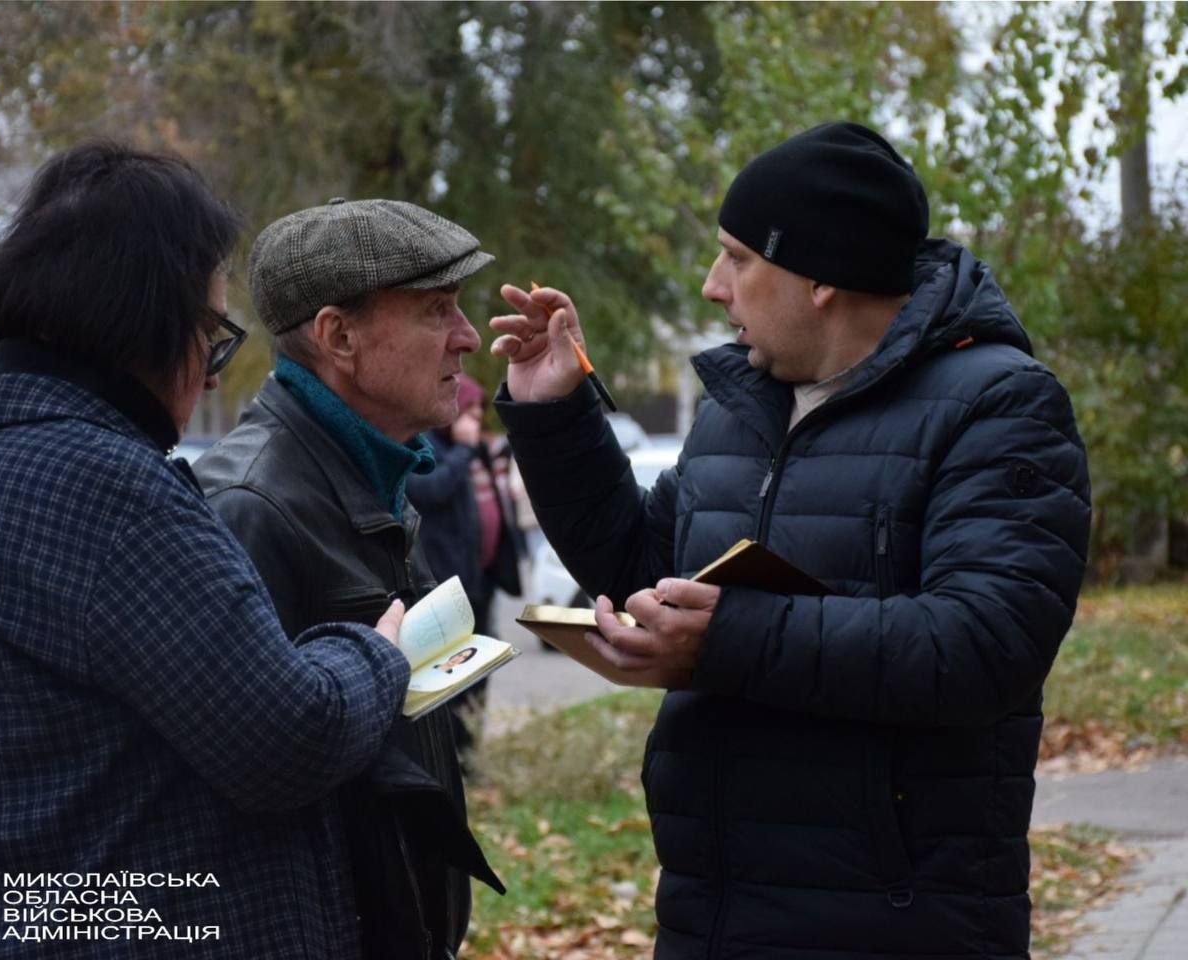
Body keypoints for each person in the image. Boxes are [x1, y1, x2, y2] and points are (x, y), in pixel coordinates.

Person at [490, 121, 1091, 960]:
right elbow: (639, 570)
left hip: (896, 924)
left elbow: (984, 645)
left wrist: (725, 637)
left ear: (821, 277)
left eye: (737, 259)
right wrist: (556, 415)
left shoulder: (999, 405)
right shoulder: (741, 408)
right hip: (713, 912)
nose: (713, 287)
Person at [0, 143, 411, 958]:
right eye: (210, 334)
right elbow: (288, 738)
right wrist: (375, 655)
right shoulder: (106, 491)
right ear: (141, 320)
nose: (211, 377)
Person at [193, 198, 503, 960]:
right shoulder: (251, 506)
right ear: (339, 337)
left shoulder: (373, 477)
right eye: (437, 311)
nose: (468, 338)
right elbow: (249, 784)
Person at [406, 373, 523, 764]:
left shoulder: (474, 451)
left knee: (480, 667)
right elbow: (432, 490)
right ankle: (451, 755)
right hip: (446, 579)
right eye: (467, 411)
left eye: (478, 412)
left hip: (480, 578)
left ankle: (471, 752)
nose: (474, 420)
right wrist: (465, 451)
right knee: (451, 673)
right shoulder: (429, 447)